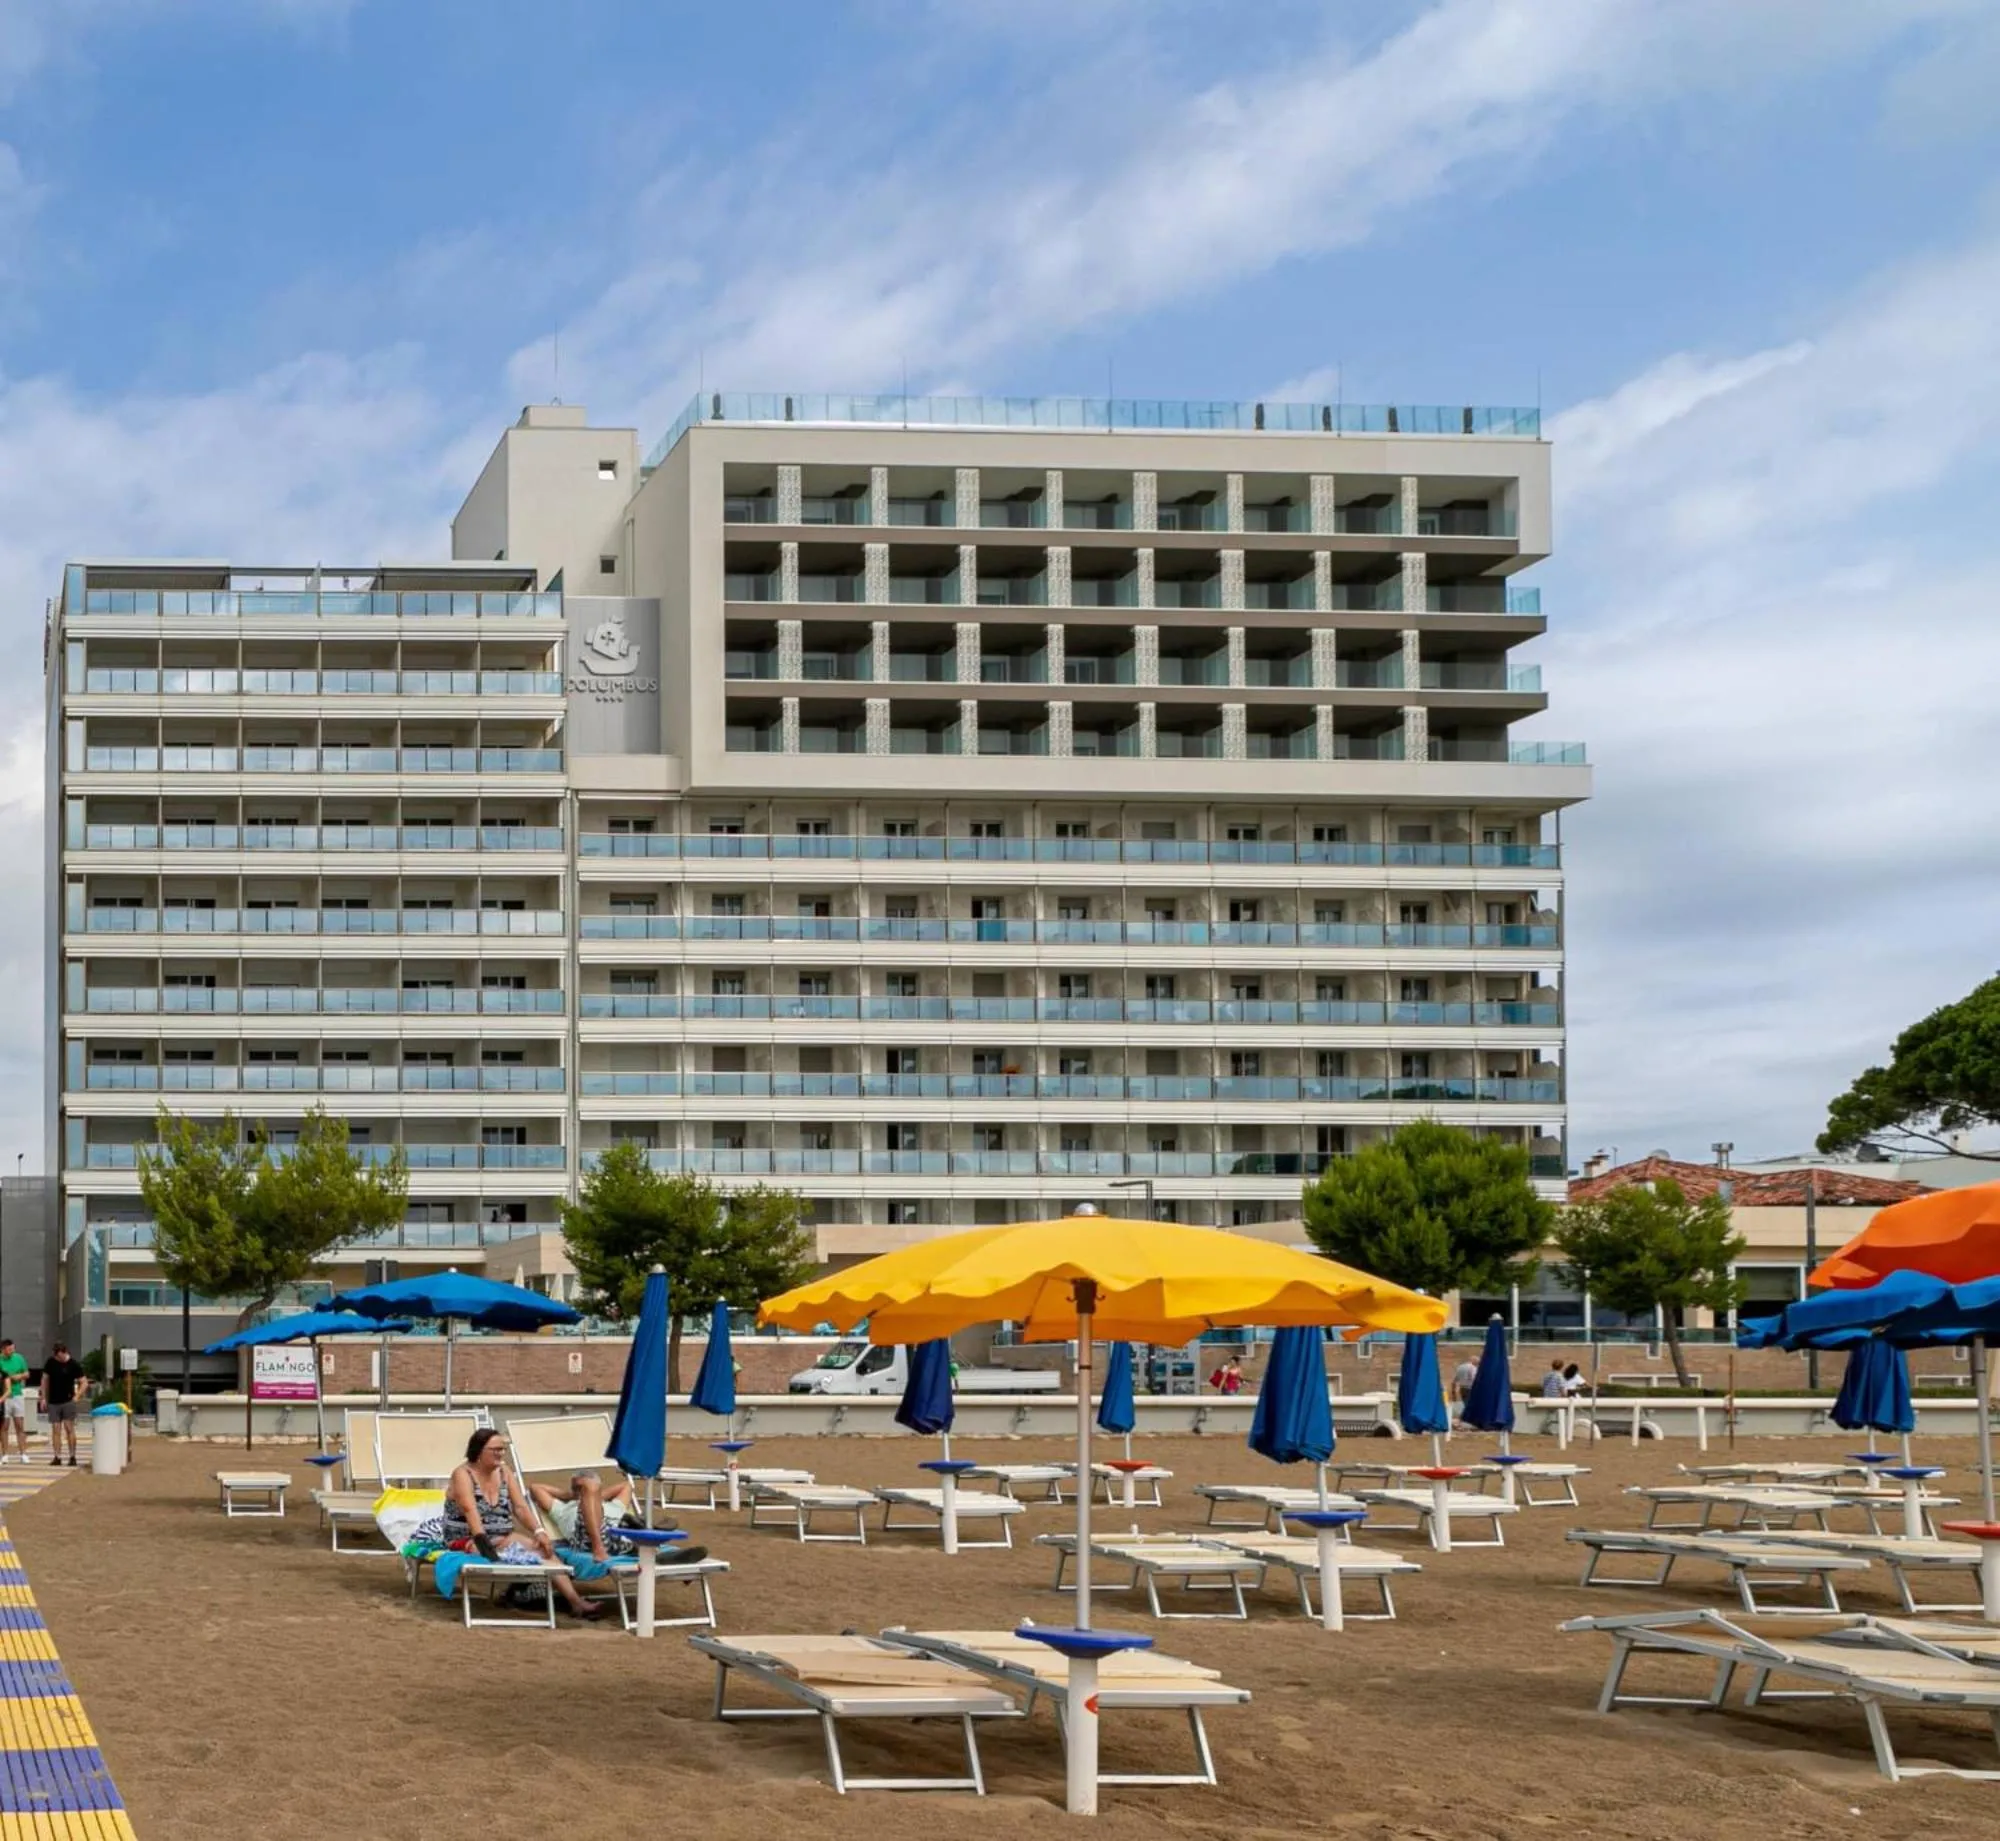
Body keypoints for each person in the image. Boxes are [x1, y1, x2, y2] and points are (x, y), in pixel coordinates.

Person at [437, 1429, 605, 1620]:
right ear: (479, 1451)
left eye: (503, 1449)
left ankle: (576, 1602)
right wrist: (483, 1543)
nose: (500, 1454)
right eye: (496, 1450)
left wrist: (539, 1531)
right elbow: (470, 1511)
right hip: (468, 1538)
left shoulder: (504, 1472)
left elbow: (520, 1507)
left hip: (502, 1536)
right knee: (517, 1554)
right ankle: (522, 1588)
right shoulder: (462, 1475)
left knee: (544, 1550)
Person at [528, 1470, 707, 1569]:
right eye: (577, 1487)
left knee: (630, 1530)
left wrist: (594, 1497)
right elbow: (535, 1488)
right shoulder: (564, 1508)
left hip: (619, 1537)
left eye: (581, 1487)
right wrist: (572, 1495)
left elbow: (626, 1486)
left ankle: (664, 1554)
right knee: (632, 1524)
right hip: (587, 1540)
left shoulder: (613, 1506)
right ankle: (647, 1533)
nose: (580, 1490)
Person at [38, 1342, 86, 1467]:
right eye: (56, 1356)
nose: (58, 1359)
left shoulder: (73, 1364)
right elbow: (44, 1380)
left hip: (68, 1400)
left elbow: (84, 1382)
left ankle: (72, 1456)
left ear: (64, 1352)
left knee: (69, 1428)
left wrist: (77, 1396)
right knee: (55, 1429)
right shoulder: (50, 1362)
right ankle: (57, 1456)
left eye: (60, 1356)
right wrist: (43, 1397)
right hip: (53, 1401)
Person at [0, 1340, 29, 1465]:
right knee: (4, 1426)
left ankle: (23, 1454)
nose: (12, 1351)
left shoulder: (19, 1358)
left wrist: (19, 1376)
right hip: (4, 1396)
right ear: (3, 1349)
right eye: (9, 1349)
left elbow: (27, 1373)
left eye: (13, 1349)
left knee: (19, 1425)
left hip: (17, 1394)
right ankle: (5, 1455)